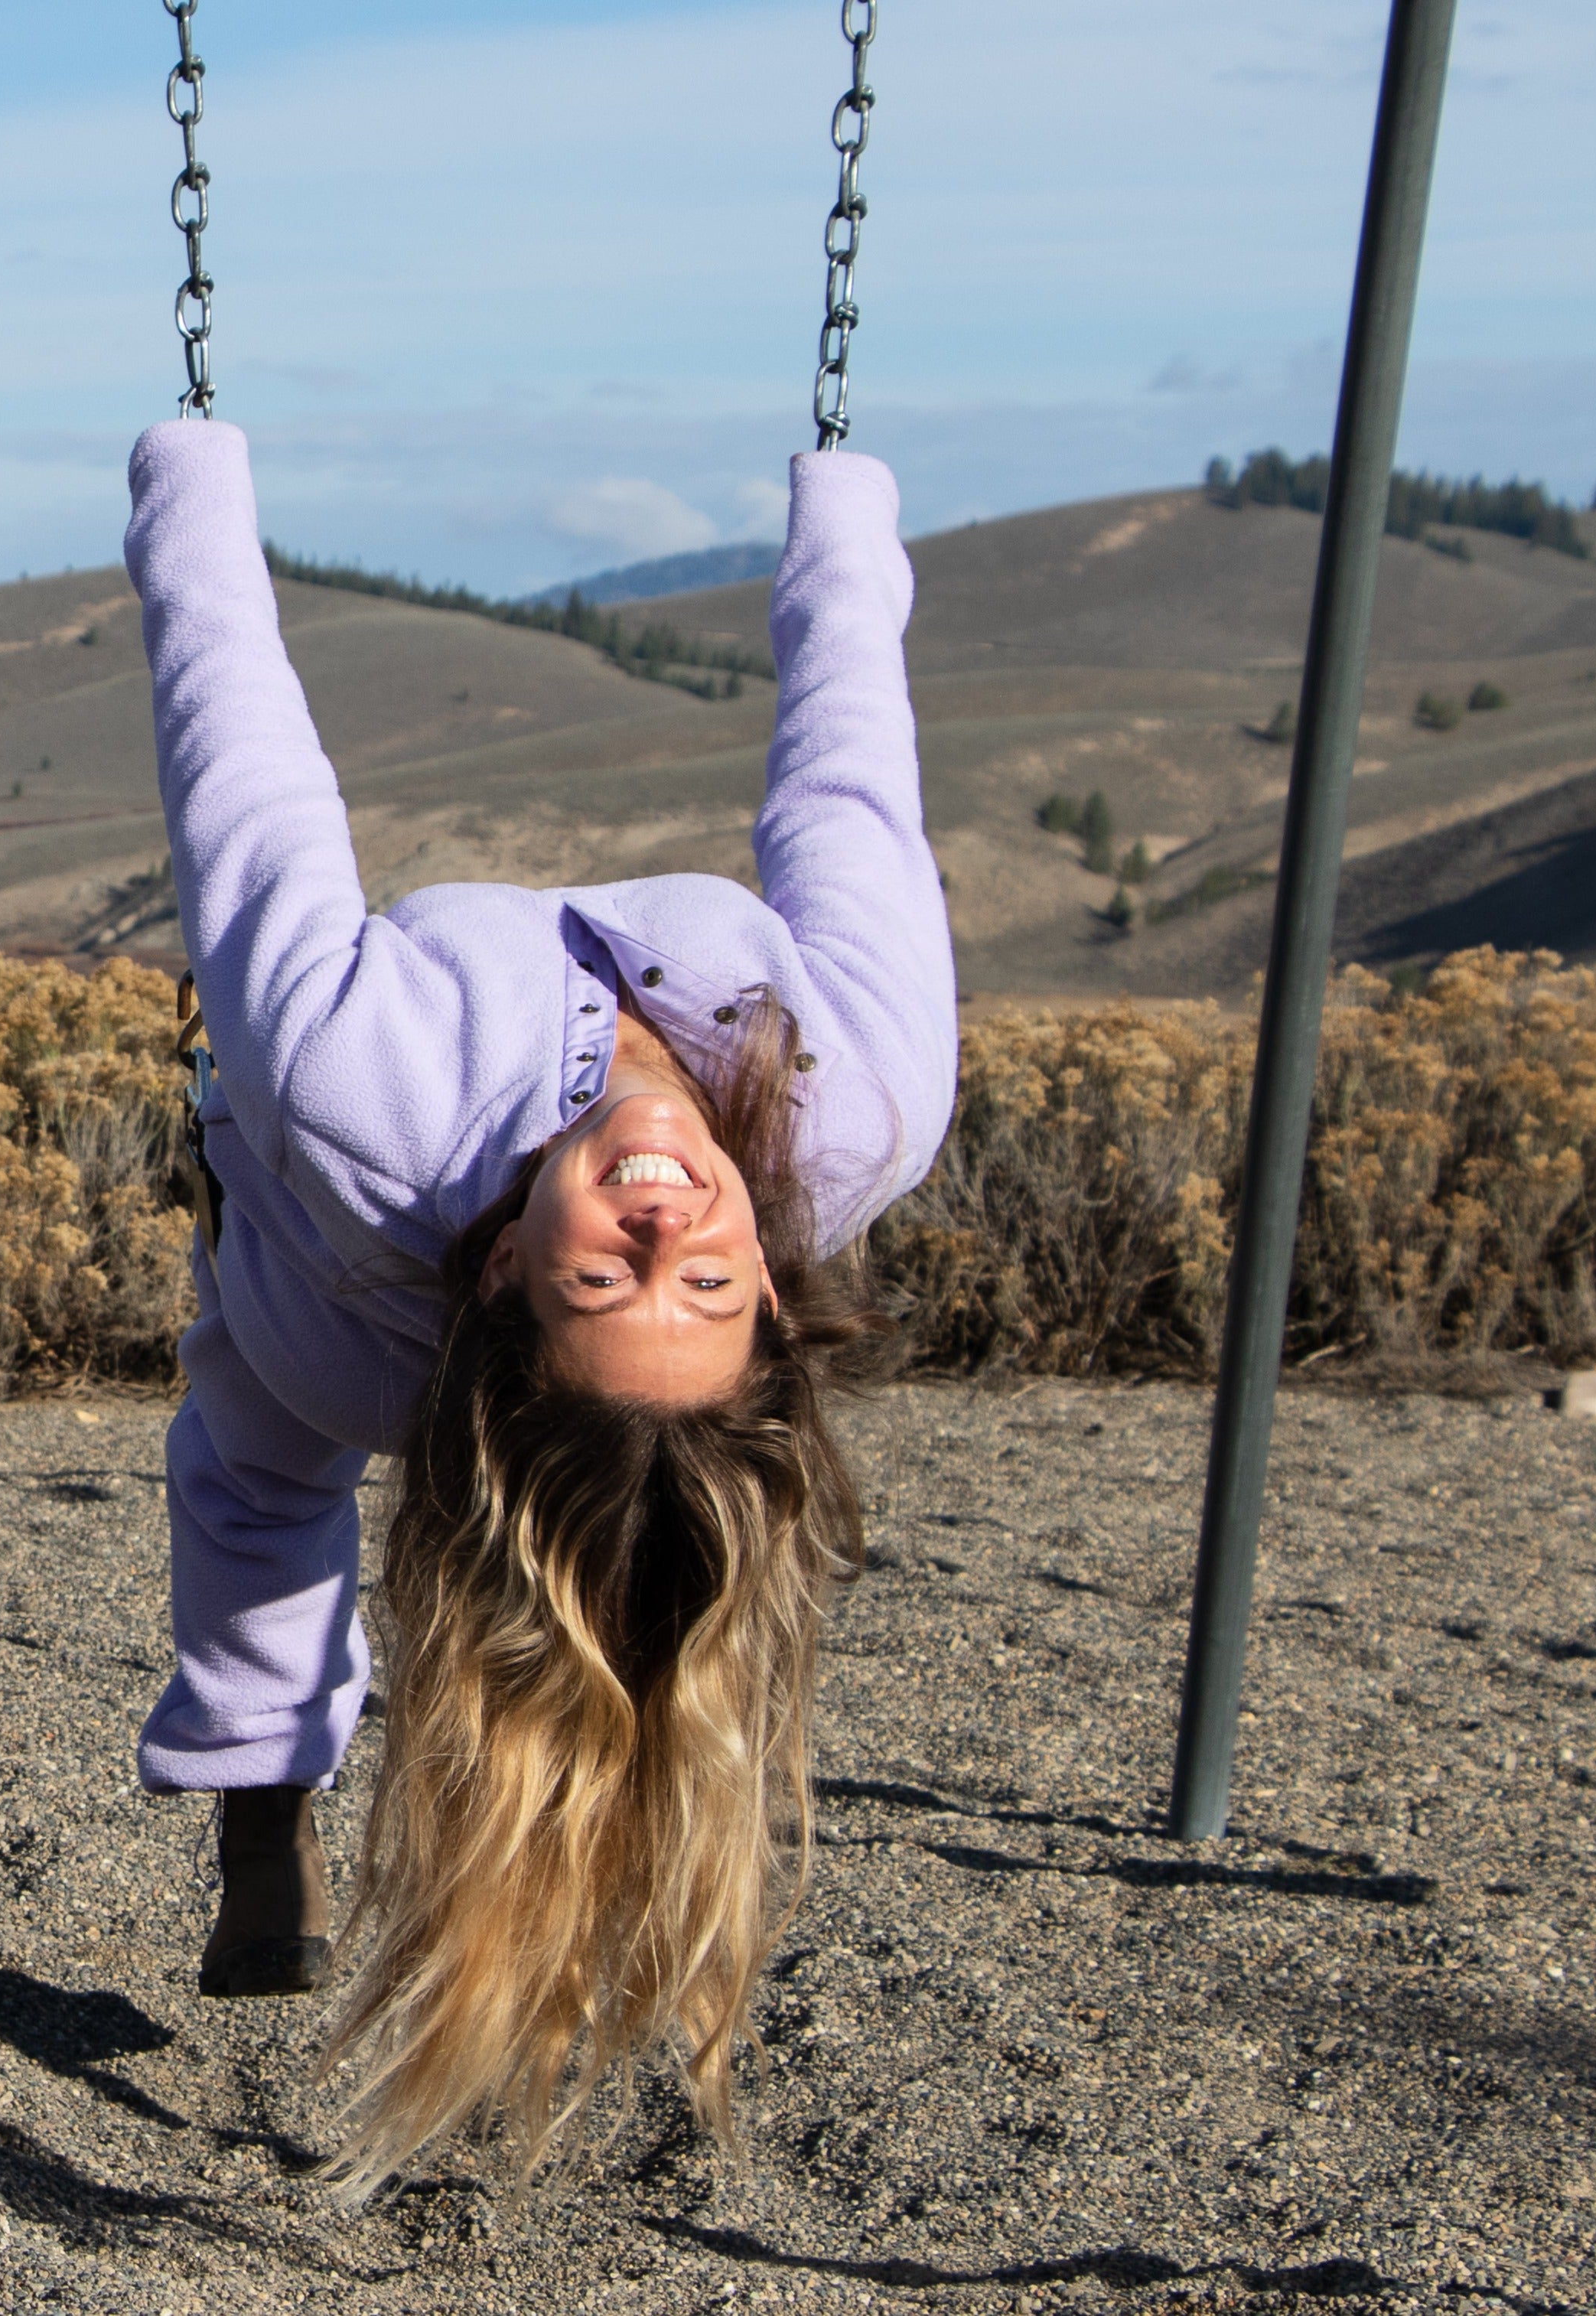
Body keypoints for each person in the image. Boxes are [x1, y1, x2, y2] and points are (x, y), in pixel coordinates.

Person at [123, 416, 956, 2191]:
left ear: (509, 1268)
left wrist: (187, 473)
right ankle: (275, 1794)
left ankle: (255, 1792)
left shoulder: (370, 1080)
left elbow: (241, 767)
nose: (664, 1211)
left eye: (608, 1266)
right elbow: (844, 794)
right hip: (432, 1293)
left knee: (258, 1450)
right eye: (708, 1272)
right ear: (773, 1294)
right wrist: (843, 509)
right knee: (390, 1505)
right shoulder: (860, 1097)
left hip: (325, 1267)